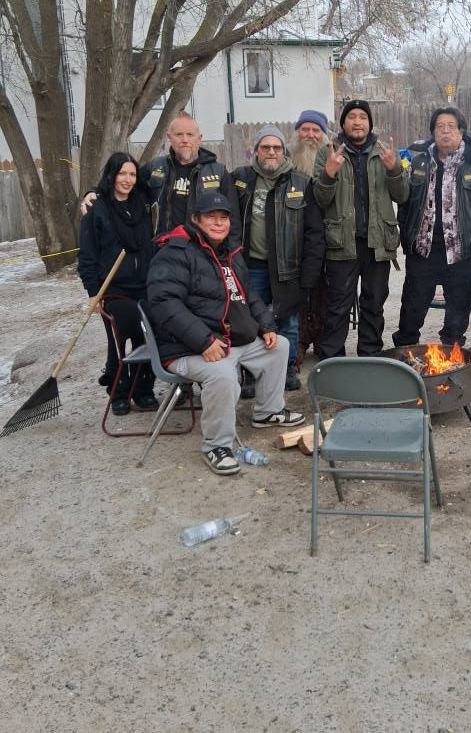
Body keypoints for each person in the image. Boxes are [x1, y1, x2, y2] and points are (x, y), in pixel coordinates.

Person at [147, 192, 305, 476]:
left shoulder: (229, 251)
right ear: (196, 219)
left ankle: (267, 412)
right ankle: (217, 446)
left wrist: (266, 325)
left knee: (279, 346)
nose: (219, 223)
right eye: (211, 217)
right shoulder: (174, 253)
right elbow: (164, 303)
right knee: (222, 374)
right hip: (186, 348)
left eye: (224, 217)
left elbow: (249, 295)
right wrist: (203, 341)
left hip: (228, 340)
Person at [312, 99, 409, 358]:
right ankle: (332, 360)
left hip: (378, 242)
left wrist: (394, 170)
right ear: (343, 123)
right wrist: (328, 174)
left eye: (363, 117)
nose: (357, 122)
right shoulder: (328, 152)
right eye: (352, 117)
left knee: (374, 303)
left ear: (370, 123)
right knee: (338, 305)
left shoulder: (384, 152)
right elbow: (319, 200)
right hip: (341, 242)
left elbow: (402, 195)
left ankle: (370, 355)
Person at [232, 125, 325, 392]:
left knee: (289, 322)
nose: (271, 152)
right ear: (256, 151)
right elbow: (230, 223)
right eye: (265, 147)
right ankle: (251, 373)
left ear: (284, 150)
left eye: (276, 147)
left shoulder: (301, 183)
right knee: (249, 322)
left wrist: (309, 274)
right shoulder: (240, 180)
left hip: (288, 268)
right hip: (251, 267)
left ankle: (287, 370)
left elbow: (314, 233)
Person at [393, 107, 471, 348]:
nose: (445, 131)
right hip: (424, 251)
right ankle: (404, 355)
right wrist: (408, 241)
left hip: (462, 254)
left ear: (461, 132)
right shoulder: (418, 161)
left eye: (451, 126)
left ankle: (452, 357)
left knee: (457, 316)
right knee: (411, 311)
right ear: (433, 132)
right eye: (439, 126)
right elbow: (405, 204)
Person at [78, 153, 157, 416]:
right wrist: (93, 292)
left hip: (144, 283)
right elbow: (87, 256)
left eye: (132, 174)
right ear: (111, 175)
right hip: (113, 287)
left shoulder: (142, 203)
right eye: (122, 173)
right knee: (121, 334)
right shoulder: (97, 209)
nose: (128, 179)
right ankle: (118, 390)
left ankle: (143, 388)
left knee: (147, 334)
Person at [81, 112, 241, 239]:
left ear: (199, 139)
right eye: (179, 134)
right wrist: (95, 192)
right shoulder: (155, 168)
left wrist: (232, 256)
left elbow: (232, 219)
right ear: (169, 137)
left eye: (190, 134)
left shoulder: (218, 172)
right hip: (163, 249)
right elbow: (124, 186)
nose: (185, 140)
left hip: (203, 251)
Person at [290, 111, 331, 366]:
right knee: (301, 293)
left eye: (316, 131)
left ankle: (323, 338)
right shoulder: (288, 162)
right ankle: (301, 339)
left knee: (326, 294)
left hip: (330, 237)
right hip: (296, 239)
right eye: (305, 129)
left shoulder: (333, 160)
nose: (310, 135)